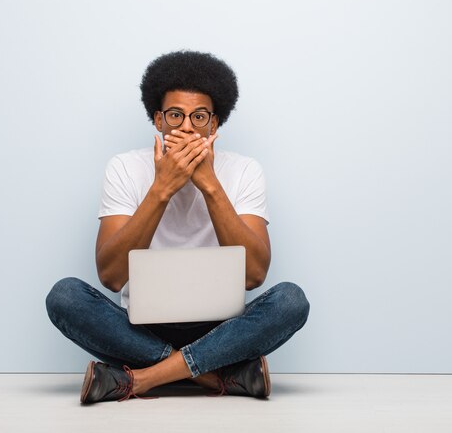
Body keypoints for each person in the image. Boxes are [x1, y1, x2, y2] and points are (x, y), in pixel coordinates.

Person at [45, 50, 310, 404]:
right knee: (65, 297)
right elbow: (110, 276)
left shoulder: (245, 171)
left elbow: (254, 275)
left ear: (214, 125)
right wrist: (162, 189)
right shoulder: (124, 168)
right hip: (140, 326)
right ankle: (215, 376)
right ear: (158, 119)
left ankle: (141, 379)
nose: (186, 127)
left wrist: (210, 185)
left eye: (199, 117)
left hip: (223, 329)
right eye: (175, 115)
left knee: (291, 301)